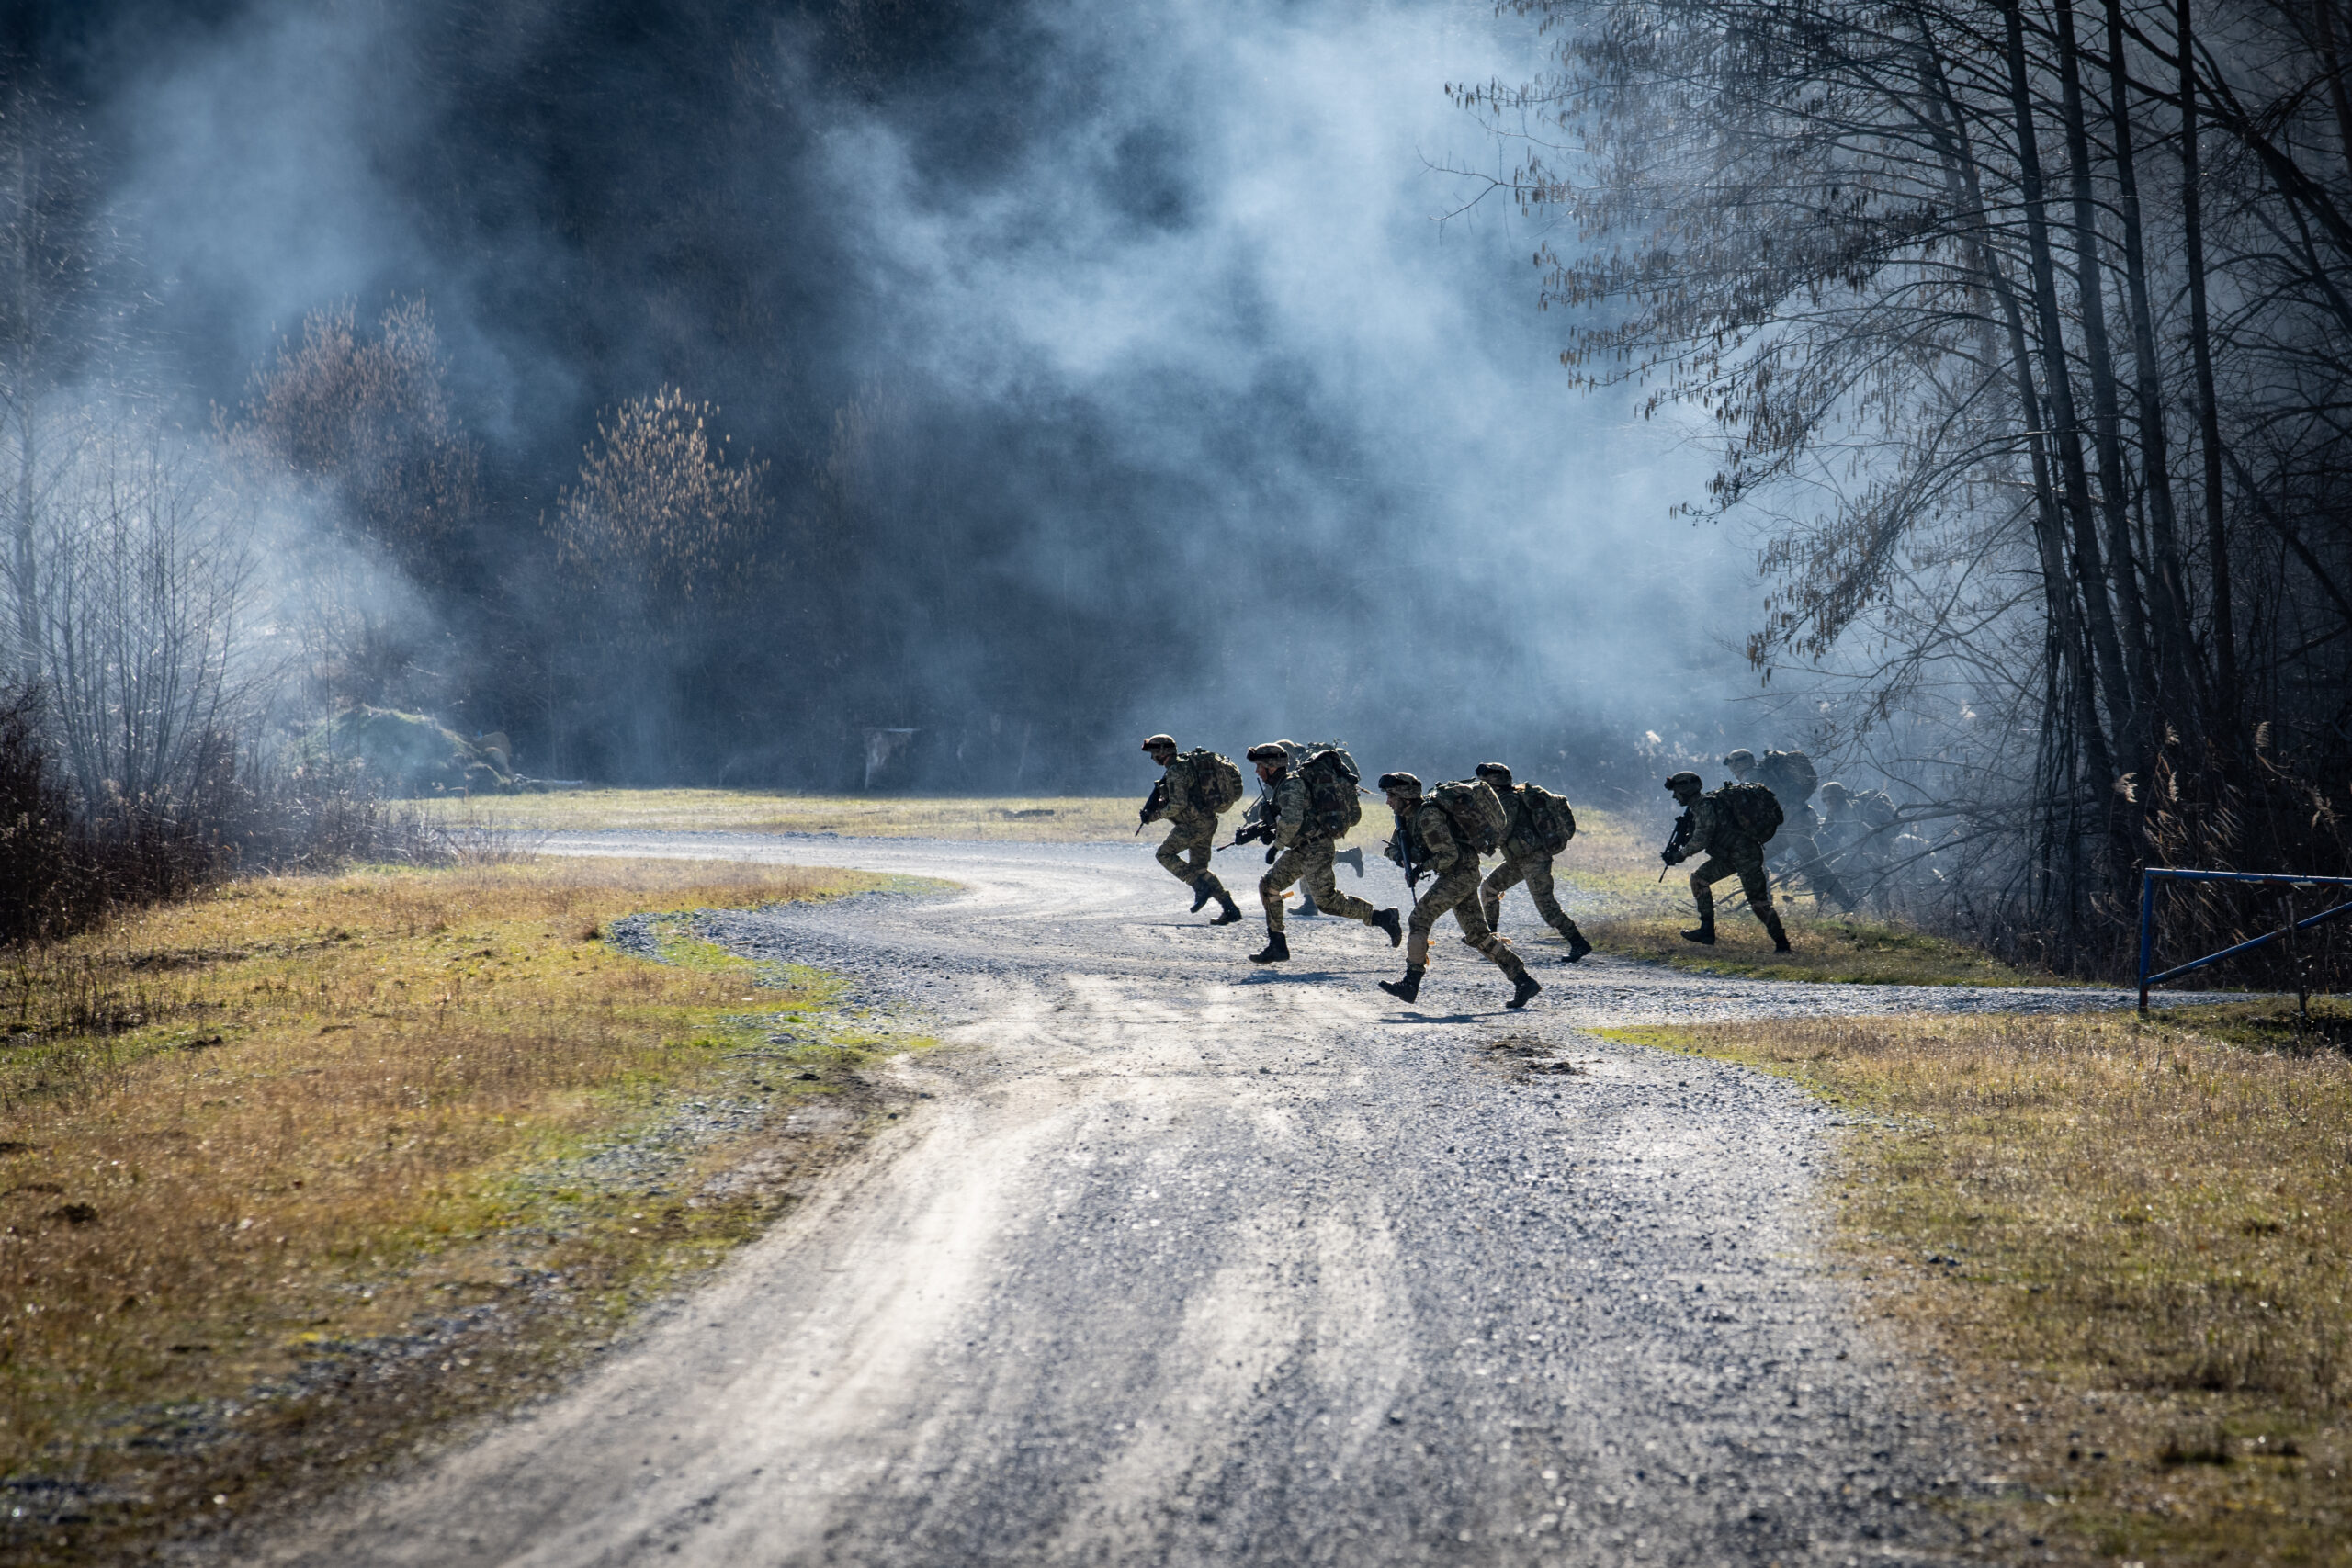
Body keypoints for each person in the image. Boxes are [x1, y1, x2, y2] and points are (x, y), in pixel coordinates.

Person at [1375, 772, 1541, 1009]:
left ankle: (1411, 983)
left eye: (1391, 795)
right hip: (1460, 875)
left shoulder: (1428, 816)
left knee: (1419, 918)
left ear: (1406, 796)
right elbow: (1393, 849)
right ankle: (1524, 981)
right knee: (1477, 935)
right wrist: (1402, 856)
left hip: (1459, 874)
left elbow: (1449, 855)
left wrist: (1421, 867)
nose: (1388, 801)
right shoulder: (1407, 818)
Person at [1240, 742, 1401, 964]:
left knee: (1326, 902)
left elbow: (1293, 820)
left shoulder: (1291, 785)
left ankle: (1383, 917)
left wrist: (1276, 846)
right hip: (1301, 849)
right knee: (1269, 885)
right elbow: (1293, 818)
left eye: (1259, 766)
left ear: (1271, 765)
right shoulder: (1283, 787)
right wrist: (1268, 829)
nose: (1257, 771)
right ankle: (1277, 944)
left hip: (1316, 848)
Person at [1472, 761, 1594, 963]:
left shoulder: (1508, 800)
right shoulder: (1506, 797)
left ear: (1492, 784)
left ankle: (1578, 943)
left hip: (1534, 860)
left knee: (1546, 907)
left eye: (1484, 784)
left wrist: (1480, 843)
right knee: (1489, 889)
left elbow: (1502, 831)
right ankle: (1490, 941)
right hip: (1519, 860)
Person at [1660, 769, 1792, 953]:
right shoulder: (1698, 807)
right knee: (1699, 879)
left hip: (1745, 855)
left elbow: (1701, 839)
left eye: (1676, 791)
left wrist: (1680, 855)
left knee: (1758, 902)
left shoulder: (1705, 806)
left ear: (1687, 789)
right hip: (1728, 855)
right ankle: (1706, 932)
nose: (1675, 796)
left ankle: (1782, 945)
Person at [1724, 747, 1855, 912]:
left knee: (1813, 863)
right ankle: (1763, 905)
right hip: (1788, 824)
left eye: (1733, 764)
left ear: (1736, 766)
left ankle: (1848, 902)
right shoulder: (1759, 773)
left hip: (1793, 822)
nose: (1733, 768)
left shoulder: (1751, 776)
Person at [1138, 734, 1242, 925]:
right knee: (1199, 869)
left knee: (1164, 854)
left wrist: (1155, 815)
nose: (1152, 757)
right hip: (1207, 821)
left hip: (1193, 824)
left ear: (1163, 753)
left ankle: (1198, 887)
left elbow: (1178, 804)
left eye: (1154, 753)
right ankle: (1230, 908)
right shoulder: (1184, 765)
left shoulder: (1176, 771)